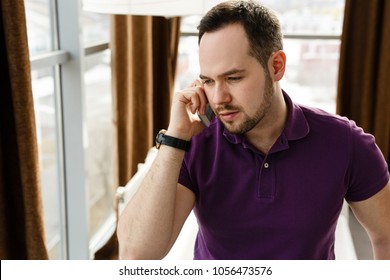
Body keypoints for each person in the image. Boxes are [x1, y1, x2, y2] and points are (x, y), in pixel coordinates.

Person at [117, 0, 390, 260]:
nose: (219, 98)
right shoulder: (195, 142)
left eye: (233, 78)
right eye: (209, 81)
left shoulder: (345, 142)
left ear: (276, 66)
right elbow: (136, 254)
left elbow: (386, 235)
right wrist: (174, 138)